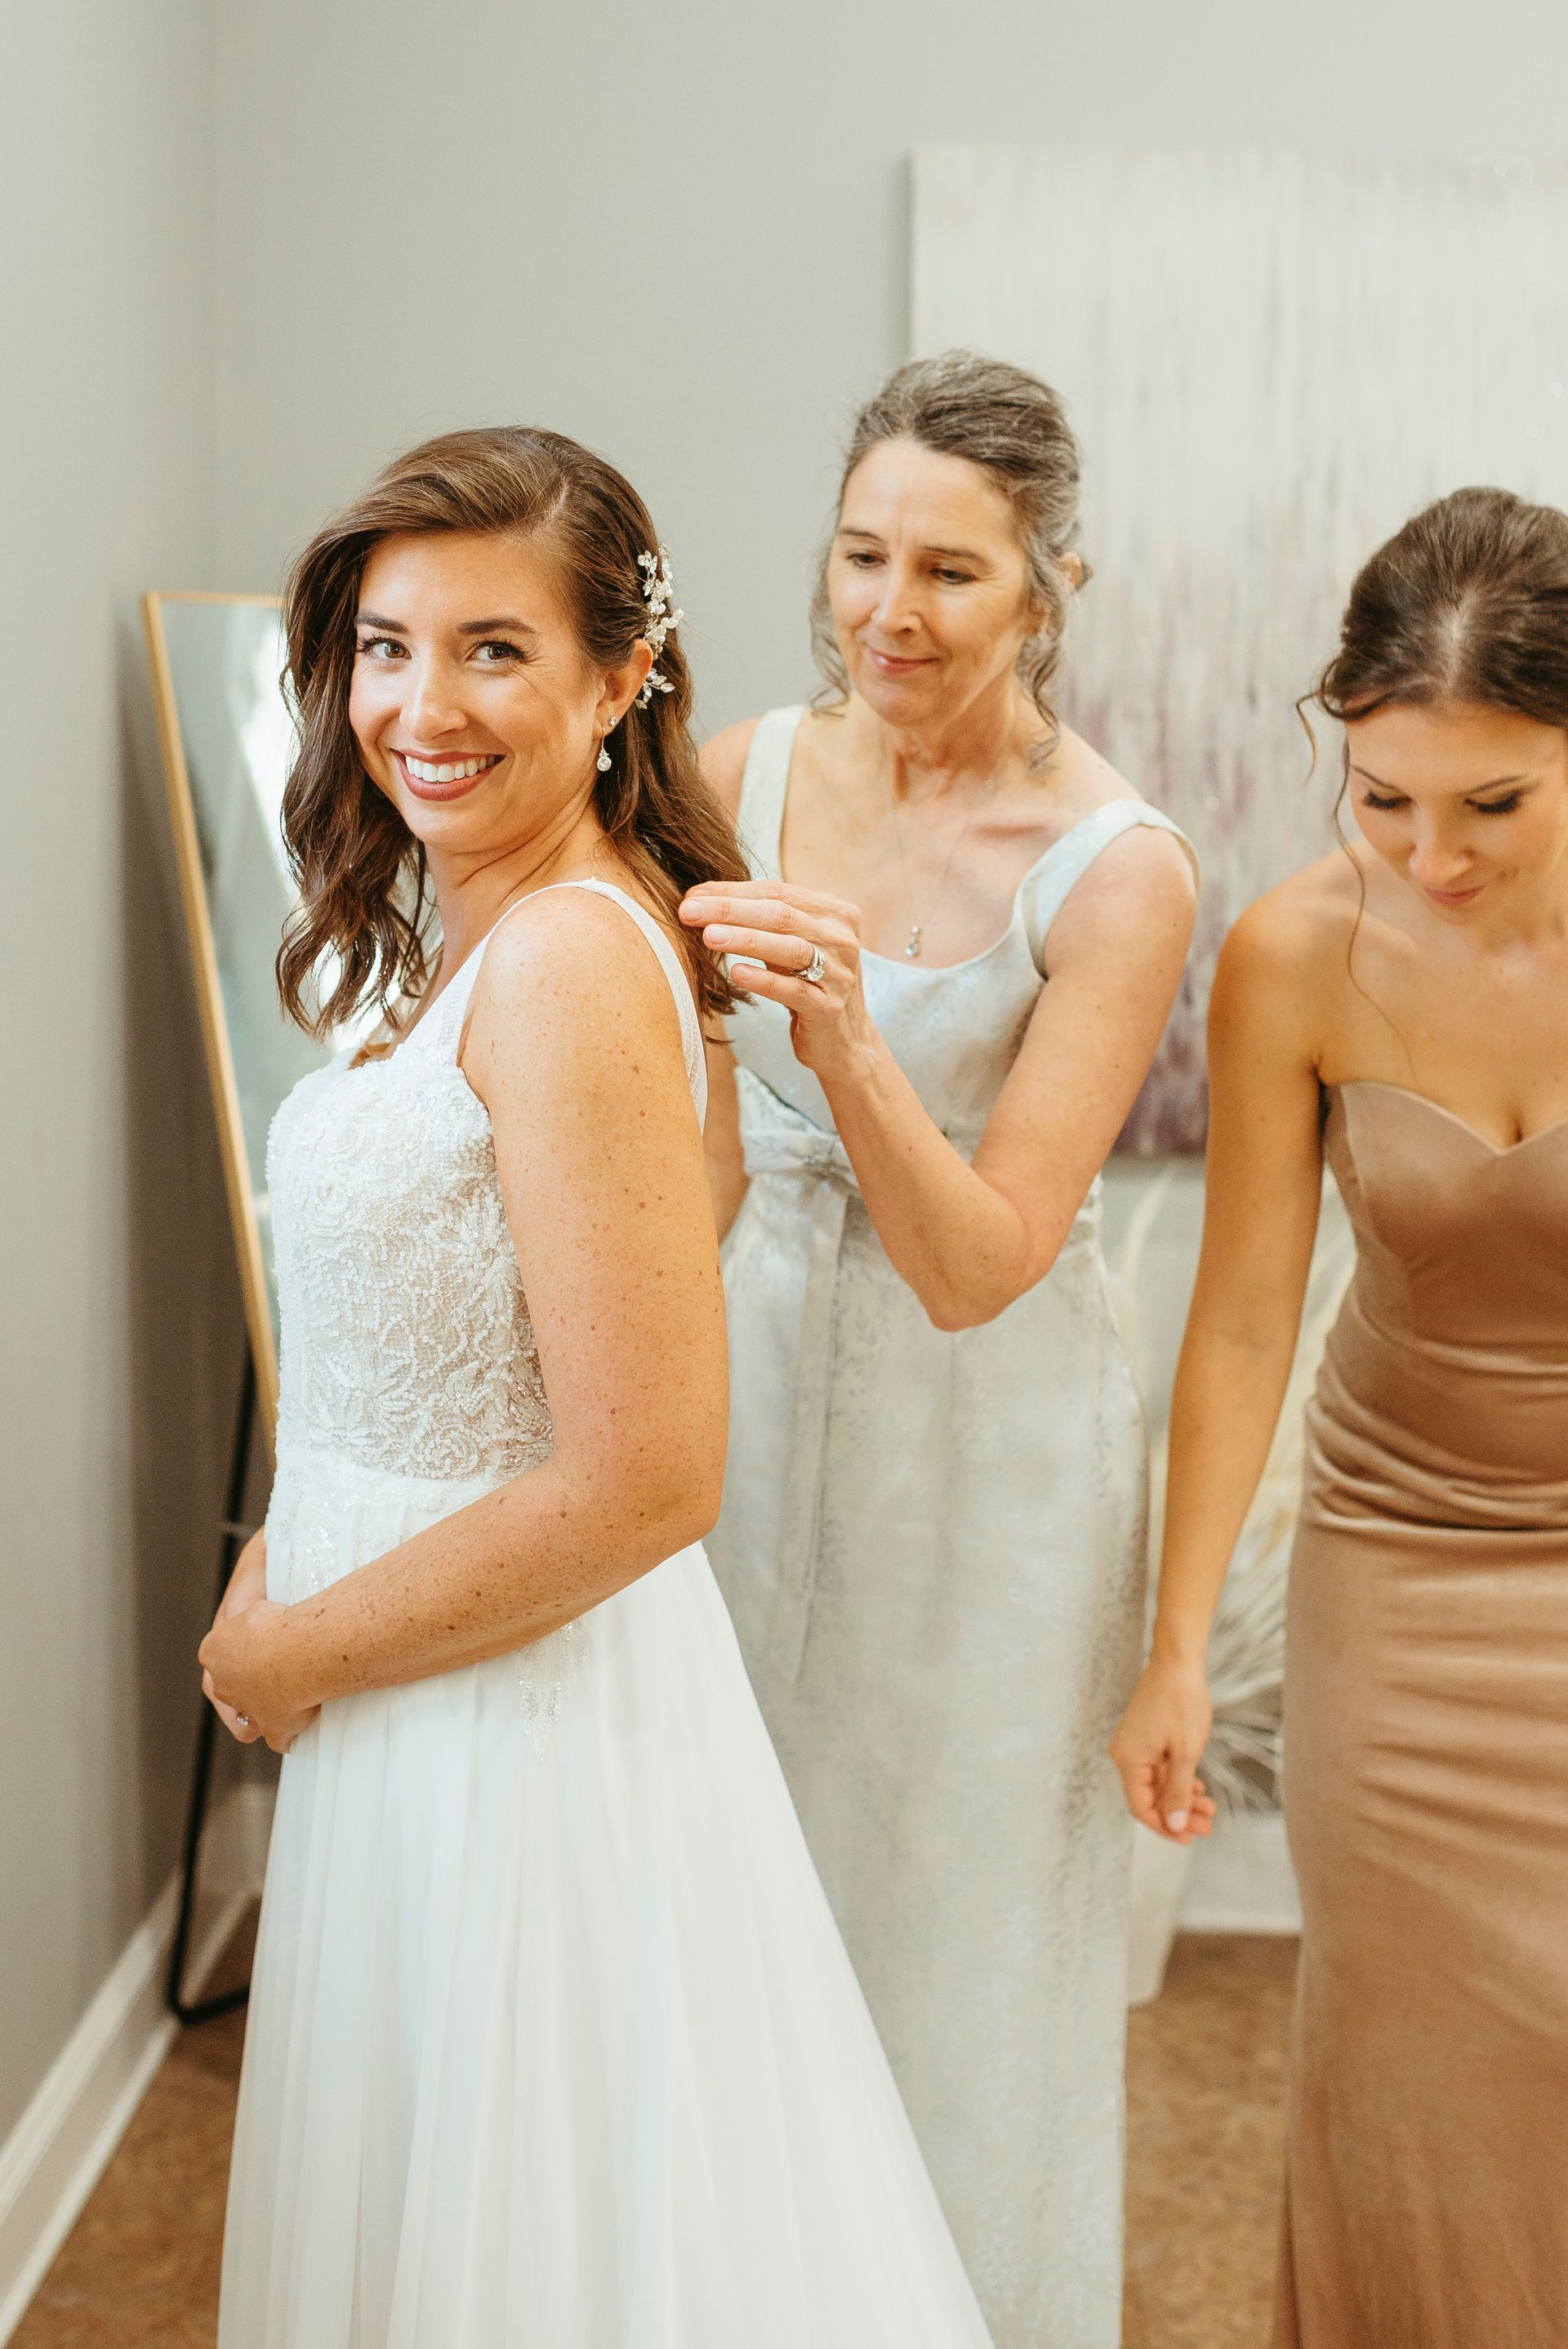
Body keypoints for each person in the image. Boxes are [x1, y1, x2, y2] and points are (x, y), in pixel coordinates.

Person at [197, 426, 994, 2349]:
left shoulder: (563, 955)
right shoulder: (521, 926)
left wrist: (291, 1647)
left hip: (503, 1725)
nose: (421, 705)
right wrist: (283, 1564)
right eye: (386, 646)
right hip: (421, 1671)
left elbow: (648, 1476)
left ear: (622, 675)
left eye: (494, 649)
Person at [681, 352, 1205, 2349]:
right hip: (742, 1387)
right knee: (729, 1885)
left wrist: (841, 1040)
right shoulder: (737, 775)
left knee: (959, 1918)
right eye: (860, 555)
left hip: (989, 1454)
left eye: (951, 573)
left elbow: (982, 1262)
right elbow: (669, 1113)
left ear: (1052, 585)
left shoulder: (1119, 869)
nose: (887, 613)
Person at [1109, 485, 1568, 2349]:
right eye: (1384, 797)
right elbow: (1238, 1327)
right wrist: (1175, 1649)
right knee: (1415, 2092)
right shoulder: (1294, 952)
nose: (1430, 856)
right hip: (1402, 1579)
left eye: (1493, 805)